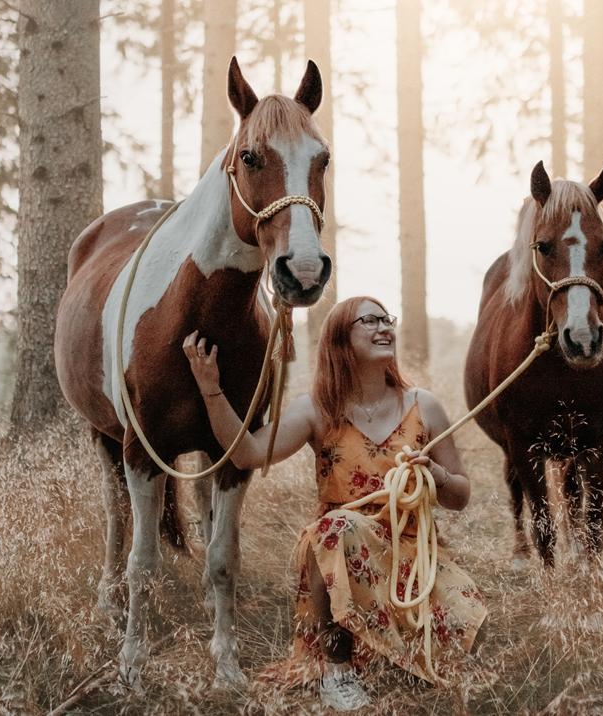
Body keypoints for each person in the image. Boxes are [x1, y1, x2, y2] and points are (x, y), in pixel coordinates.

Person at [183, 296, 487, 711]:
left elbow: (461, 497)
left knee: (468, 629)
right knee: (336, 528)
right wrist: (211, 390)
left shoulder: (424, 405)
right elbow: (247, 453)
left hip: (412, 552)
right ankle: (336, 670)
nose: (385, 327)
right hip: (336, 554)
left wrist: (436, 475)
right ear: (340, 337)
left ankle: (386, 646)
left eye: (387, 319)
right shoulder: (317, 409)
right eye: (370, 320)